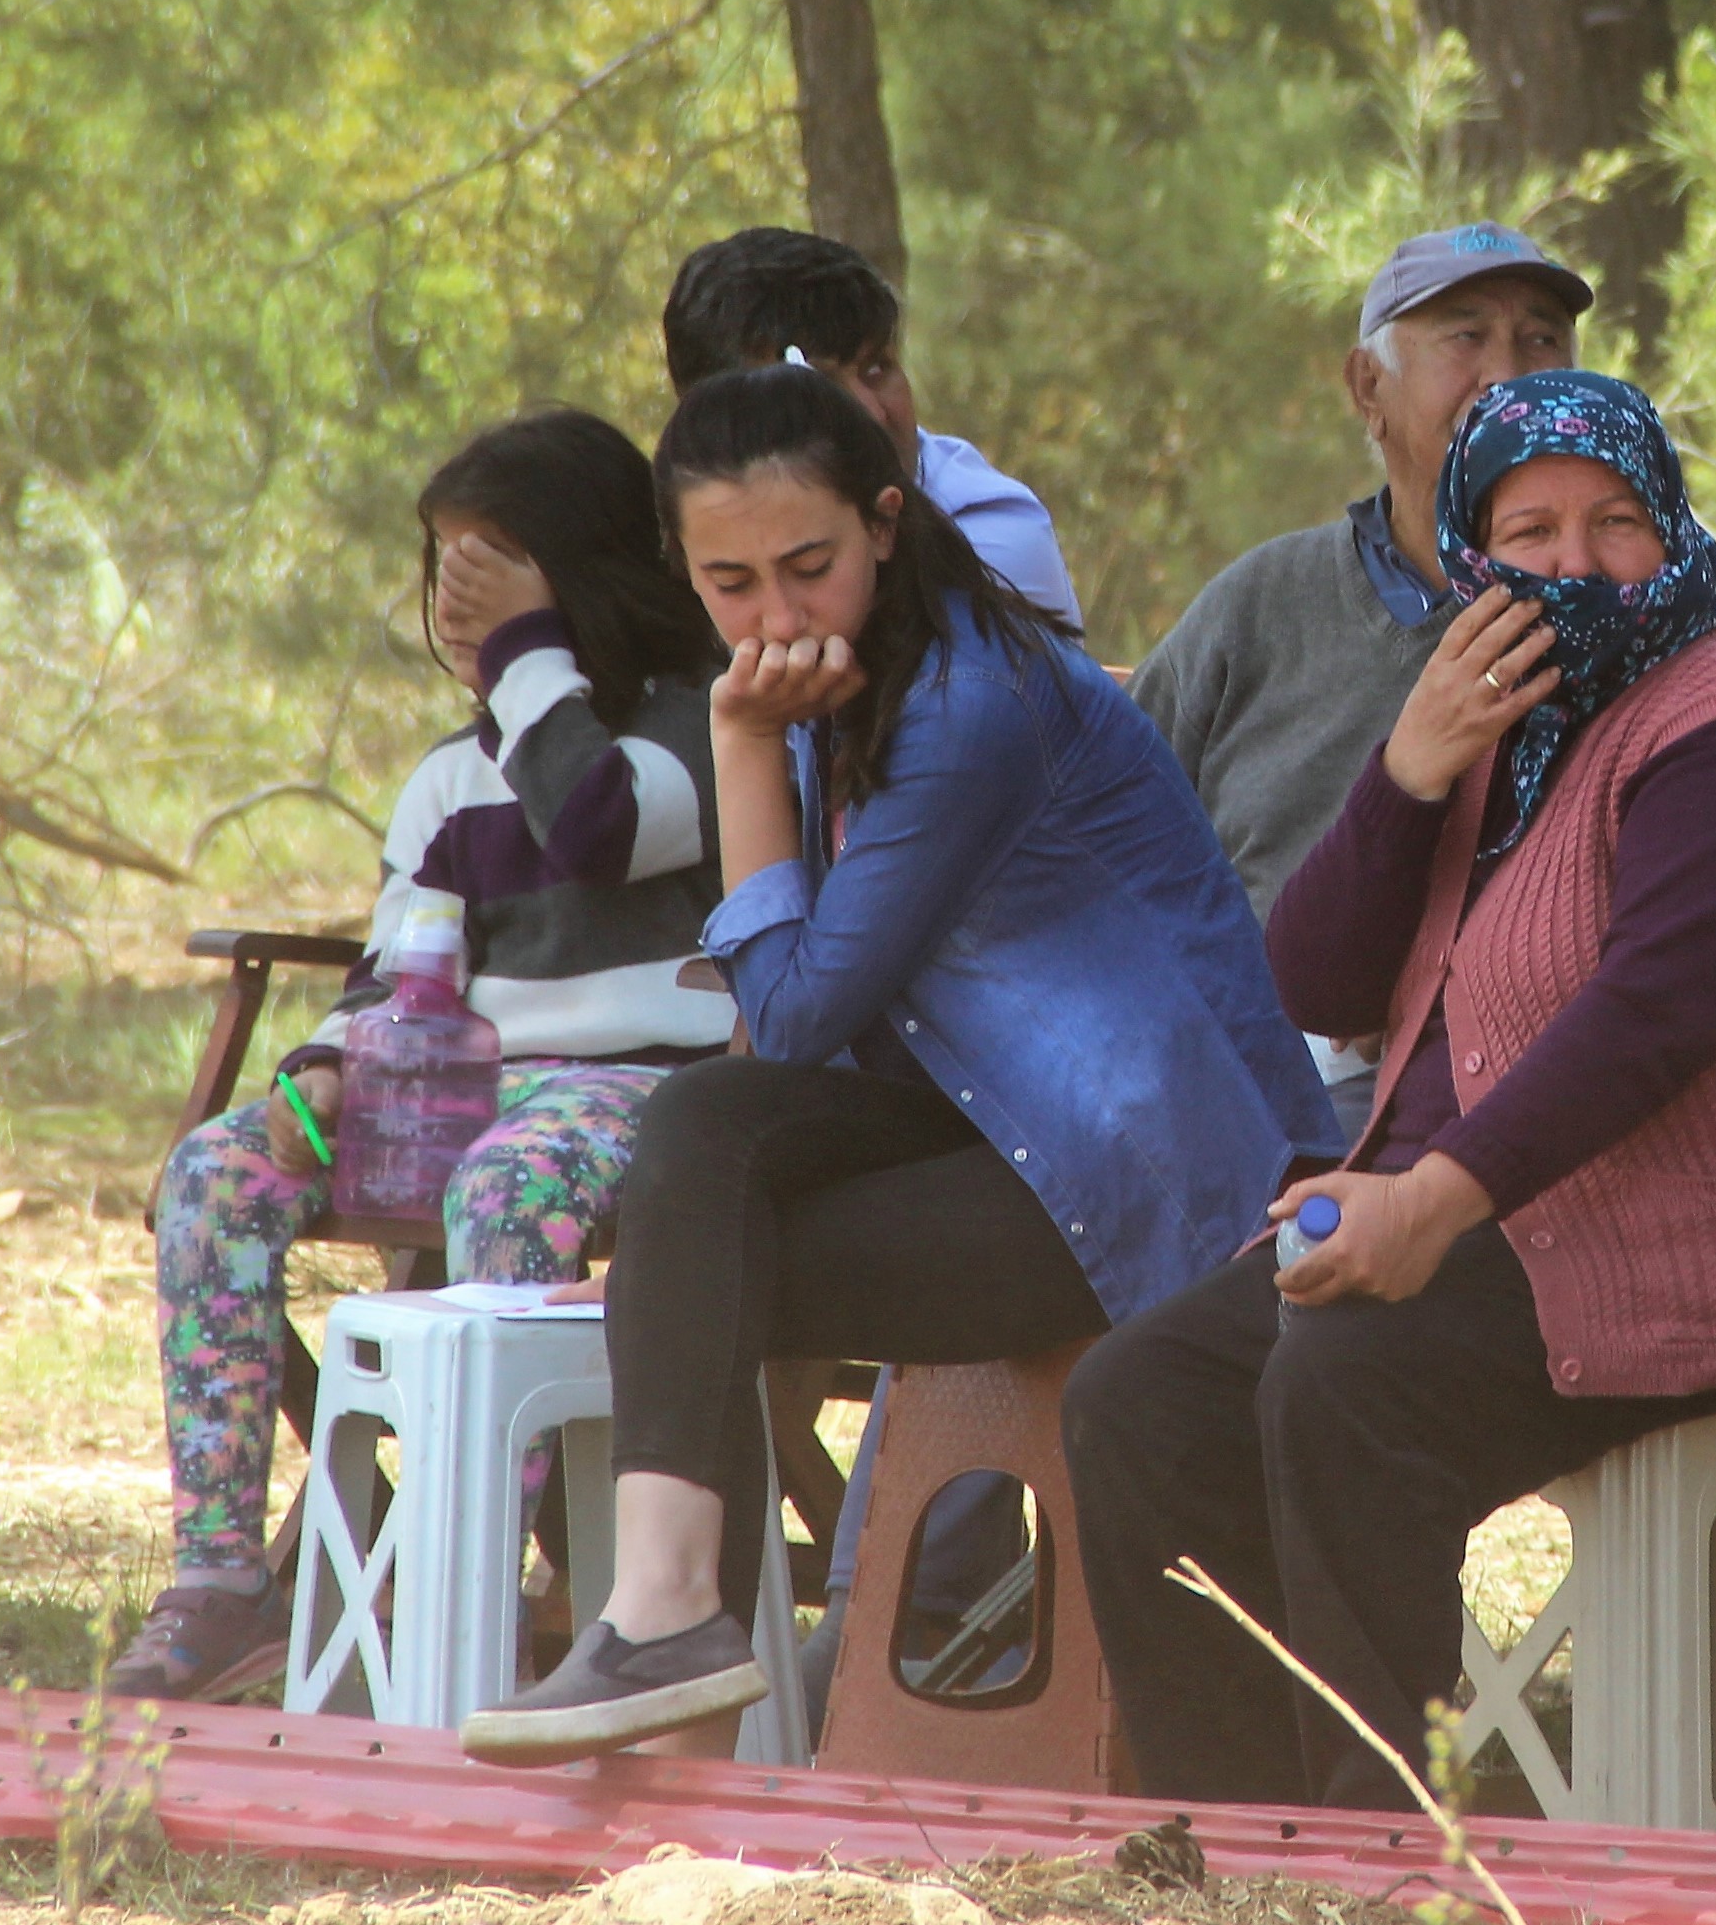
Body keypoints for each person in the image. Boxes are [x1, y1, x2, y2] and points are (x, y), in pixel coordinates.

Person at [458, 363, 1328, 1762]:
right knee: (703, 1139)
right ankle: (669, 1624)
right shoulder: (860, 675)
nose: (778, 617)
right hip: (987, 1131)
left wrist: (740, 740)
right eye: (731, 587)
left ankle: (675, 1658)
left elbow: (799, 1011)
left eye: (809, 566)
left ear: (884, 520)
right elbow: (780, 1045)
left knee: (698, 1265)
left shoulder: (966, 705)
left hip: (1145, 1182)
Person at [1066, 372, 1716, 1804]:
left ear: (1675, 531)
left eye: (1617, 523)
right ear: (1471, 554)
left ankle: (1374, 1829)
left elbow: (1652, 1018)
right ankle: (1230, 1823)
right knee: (1139, 1397)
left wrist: (1429, 1208)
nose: (1575, 566)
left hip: (1709, 1247)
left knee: (1348, 1380)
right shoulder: (1501, 731)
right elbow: (1319, 981)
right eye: (1530, 531)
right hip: (1512, 1230)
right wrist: (1406, 770)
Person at [104, 410, 731, 1705]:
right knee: (216, 1174)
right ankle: (222, 1579)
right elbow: (401, 963)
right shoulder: (452, 777)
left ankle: (470, 1590)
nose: (454, 591)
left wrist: (523, 661)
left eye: (493, 556)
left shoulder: (701, 732)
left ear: (591, 564)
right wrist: (330, 1064)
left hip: (649, 1086)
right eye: (443, 557)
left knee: (508, 1187)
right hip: (464, 1081)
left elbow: (598, 823)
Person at [1130, 223, 1590, 913]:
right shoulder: (1259, 606)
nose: (1507, 376)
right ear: (1368, 387)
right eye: (1466, 337)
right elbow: (1101, 831)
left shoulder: (1614, 609)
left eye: (1542, 339)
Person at [662, 226, 1074, 621]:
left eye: (877, 369)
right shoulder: (678, 525)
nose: (873, 414)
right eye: (819, 388)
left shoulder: (991, 539)